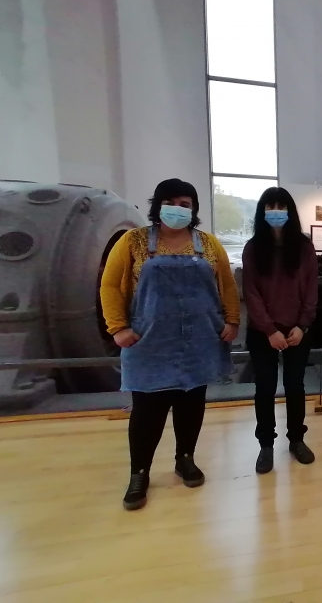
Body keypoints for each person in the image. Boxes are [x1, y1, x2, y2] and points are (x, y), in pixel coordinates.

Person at [100, 179, 240, 511]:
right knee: (147, 411)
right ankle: (139, 473)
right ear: (158, 206)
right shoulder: (133, 241)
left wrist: (232, 321)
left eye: (185, 204)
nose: (178, 209)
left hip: (200, 340)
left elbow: (227, 285)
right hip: (149, 342)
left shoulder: (208, 244)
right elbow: (110, 285)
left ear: (194, 210)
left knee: (191, 405)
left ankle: (185, 459)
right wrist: (117, 327)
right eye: (171, 202)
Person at [242, 187, 318, 472]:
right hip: (263, 333)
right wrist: (269, 330)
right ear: (262, 212)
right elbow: (250, 293)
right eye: (270, 206)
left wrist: (302, 325)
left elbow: (311, 290)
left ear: (290, 211)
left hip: (297, 330)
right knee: (265, 387)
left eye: (281, 206)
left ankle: (296, 439)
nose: (276, 212)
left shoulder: (304, 247)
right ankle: (266, 445)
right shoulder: (253, 248)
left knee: (295, 386)